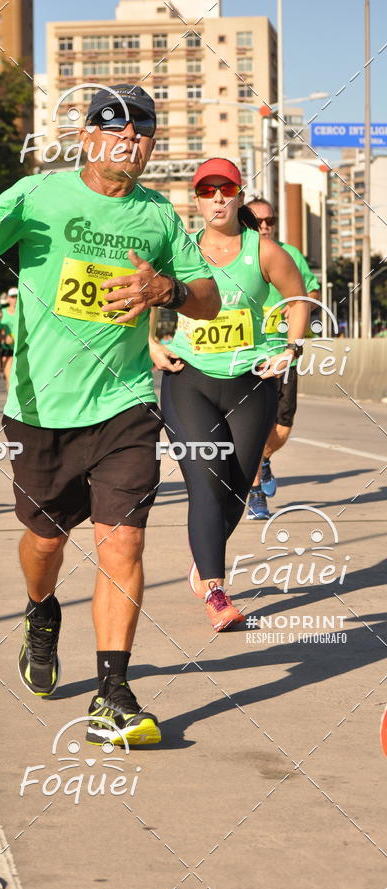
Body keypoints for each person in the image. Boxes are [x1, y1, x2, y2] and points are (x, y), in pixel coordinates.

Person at [0, 83, 221, 746]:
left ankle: (112, 692)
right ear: (87, 136)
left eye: (144, 130)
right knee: (45, 544)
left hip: (125, 403)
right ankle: (40, 610)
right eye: (116, 126)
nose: (131, 139)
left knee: (123, 540)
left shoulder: (159, 216)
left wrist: (165, 289)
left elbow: (206, 297)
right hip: (42, 408)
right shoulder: (38, 196)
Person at [151, 158, 309, 632]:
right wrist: (151, 345)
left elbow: (297, 298)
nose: (217, 197)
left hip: (252, 380)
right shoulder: (179, 251)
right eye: (207, 190)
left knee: (236, 486)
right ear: (196, 200)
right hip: (189, 378)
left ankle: (204, 558)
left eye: (227, 188)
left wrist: (291, 348)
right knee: (203, 478)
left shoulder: (263, 251)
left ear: (239, 195)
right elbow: (139, 296)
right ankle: (217, 590)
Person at [245, 197, 321, 519]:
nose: (264, 226)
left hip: (284, 353)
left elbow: (312, 293)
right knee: (249, 427)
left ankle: (263, 458)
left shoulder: (290, 255)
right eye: (257, 220)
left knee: (282, 427)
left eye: (269, 221)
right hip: (245, 355)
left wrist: (297, 308)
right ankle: (255, 492)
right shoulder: (237, 255)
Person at [0, 287, 18, 390]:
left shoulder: (24, 312)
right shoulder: (2, 313)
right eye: (12, 297)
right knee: (9, 377)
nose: (15, 299)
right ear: (8, 299)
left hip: (21, 349)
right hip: (8, 349)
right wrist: (4, 337)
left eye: (17, 297)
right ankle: (11, 405)